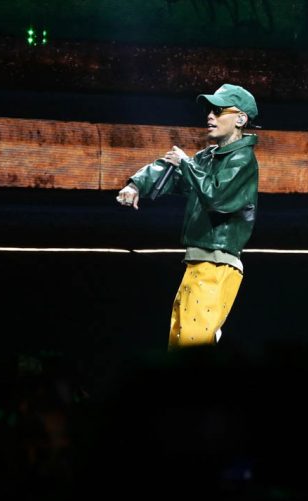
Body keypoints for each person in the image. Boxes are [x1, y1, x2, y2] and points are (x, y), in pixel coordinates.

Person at [117, 83, 259, 350]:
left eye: (219, 111)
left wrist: (186, 163)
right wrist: (136, 185)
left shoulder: (243, 160)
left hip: (216, 264)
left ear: (241, 119)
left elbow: (218, 197)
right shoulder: (206, 159)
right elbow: (173, 173)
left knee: (191, 350)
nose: (210, 116)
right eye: (209, 111)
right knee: (180, 345)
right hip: (198, 263)